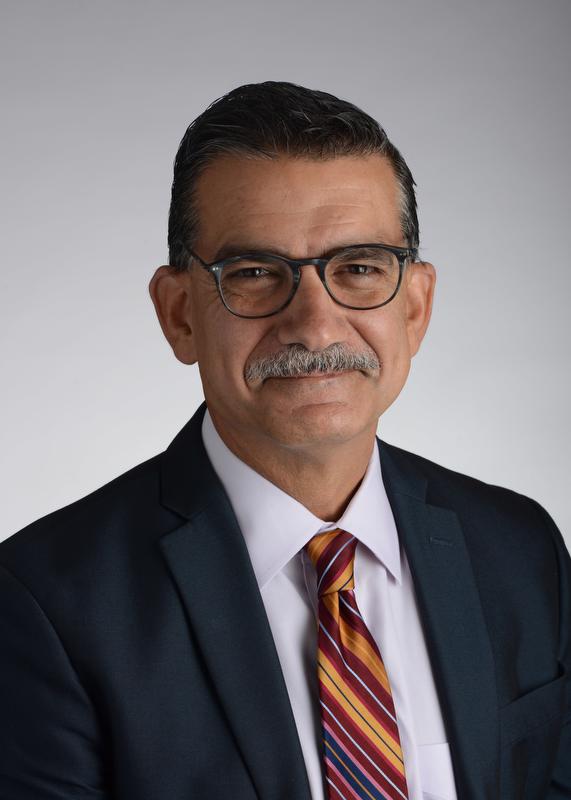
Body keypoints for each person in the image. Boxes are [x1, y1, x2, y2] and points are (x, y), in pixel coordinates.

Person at [0, 81, 569, 800]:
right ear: (178, 314)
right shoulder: (44, 602)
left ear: (416, 307)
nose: (314, 325)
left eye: (358, 268)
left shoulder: (519, 549)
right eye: (256, 274)